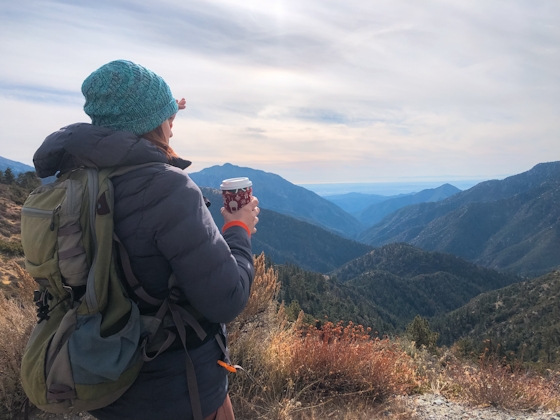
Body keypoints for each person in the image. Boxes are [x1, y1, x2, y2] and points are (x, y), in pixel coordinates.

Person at [32, 60, 259, 420]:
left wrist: (164, 108)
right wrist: (238, 228)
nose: (173, 128)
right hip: (179, 389)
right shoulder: (167, 188)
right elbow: (227, 298)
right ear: (151, 122)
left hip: (107, 379)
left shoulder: (77, 180)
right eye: (169, 119)